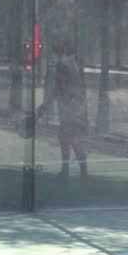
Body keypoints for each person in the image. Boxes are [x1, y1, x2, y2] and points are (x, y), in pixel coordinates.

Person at [36, 39, 88, 178]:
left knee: (68, 138)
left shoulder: (62, 64)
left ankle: (71, 170)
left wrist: (45, 105)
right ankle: (80, 170)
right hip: (76, 106)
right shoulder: (73, 62)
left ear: (56, 52)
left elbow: (60, 88)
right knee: (70, 137)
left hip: (69, 107)